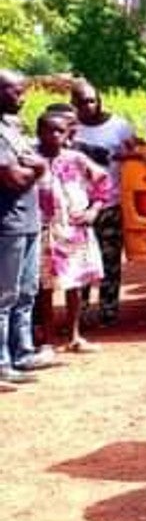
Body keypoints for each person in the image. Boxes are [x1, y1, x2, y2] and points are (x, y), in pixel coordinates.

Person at [34, 112, 110, 353]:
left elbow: (103, 182)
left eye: (60, 131)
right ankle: (47, 338)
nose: (54, 135)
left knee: (74, 284)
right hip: (43, 230)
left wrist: (94, 210)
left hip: (74, 229)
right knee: (45, 287)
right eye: (49, 130)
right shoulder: (31, 159)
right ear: (39, 133)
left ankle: (74, 335)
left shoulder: (76, 159)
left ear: (68, 134)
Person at [0, 70, 56, 383]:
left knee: (26, 292)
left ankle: (21, 353)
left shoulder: (11, 129)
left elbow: (27, 167)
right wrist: (40, 166)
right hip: (7, 224)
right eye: (16, 92)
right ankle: (2, 361)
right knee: (4, 295)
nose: (23, 98)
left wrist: (33, 165)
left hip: (28, 220)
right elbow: (16, 178)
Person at [71, 80, 135, 327]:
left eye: (92, 100)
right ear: (73, 104)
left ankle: (109, 311)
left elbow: (133, 151)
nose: (89, 106)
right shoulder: (69, 128)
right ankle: (81, 309)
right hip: (78, 208)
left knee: (110, 261)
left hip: (109, 205)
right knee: (80, 261)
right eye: (83, 102)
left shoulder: (119, 127)